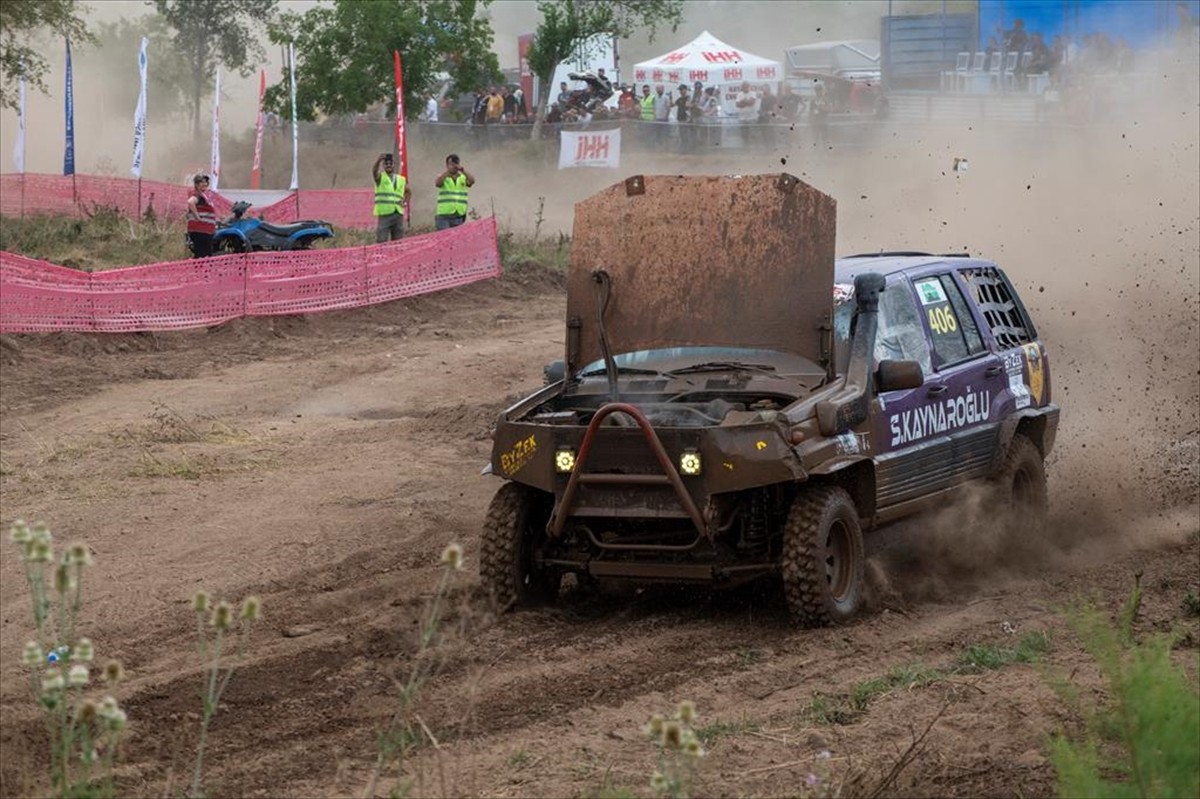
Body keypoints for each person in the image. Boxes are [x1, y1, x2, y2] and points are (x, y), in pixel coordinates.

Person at [372, 153, 410, 243]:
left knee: (397, 242)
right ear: (383, 165)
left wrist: (405, 202)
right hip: (385, 214)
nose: (388, 165)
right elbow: (374, 172)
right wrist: (378, 161)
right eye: (386, 163)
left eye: (390, 163)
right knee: (382, 241)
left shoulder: (400, 179)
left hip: (398, 214)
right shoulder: (380, 177)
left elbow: (408, 192)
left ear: (393, 165)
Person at [434, 153, 474, 231]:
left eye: (456, 164)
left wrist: (463, 170)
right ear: (447, 165)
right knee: (445, 239)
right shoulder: (443, 177)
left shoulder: (462, 177)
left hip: (458, 215)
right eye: (451, 164)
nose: (454, 166)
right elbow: (438, 183)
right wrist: (447, 172)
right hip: (444, 216)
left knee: (456, 240)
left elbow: (472, 181)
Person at [185, 173, 216, 258]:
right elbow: (190, 202)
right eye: (201, 182)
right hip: (201, 232)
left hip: (203, 231)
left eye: (206, 182)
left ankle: (199, 270)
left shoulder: (203, 196)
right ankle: (199, 271)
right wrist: (197, 217)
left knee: (202, 255)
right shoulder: (197, 195)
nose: (204, 184)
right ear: (196, 185)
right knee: (202, 256)